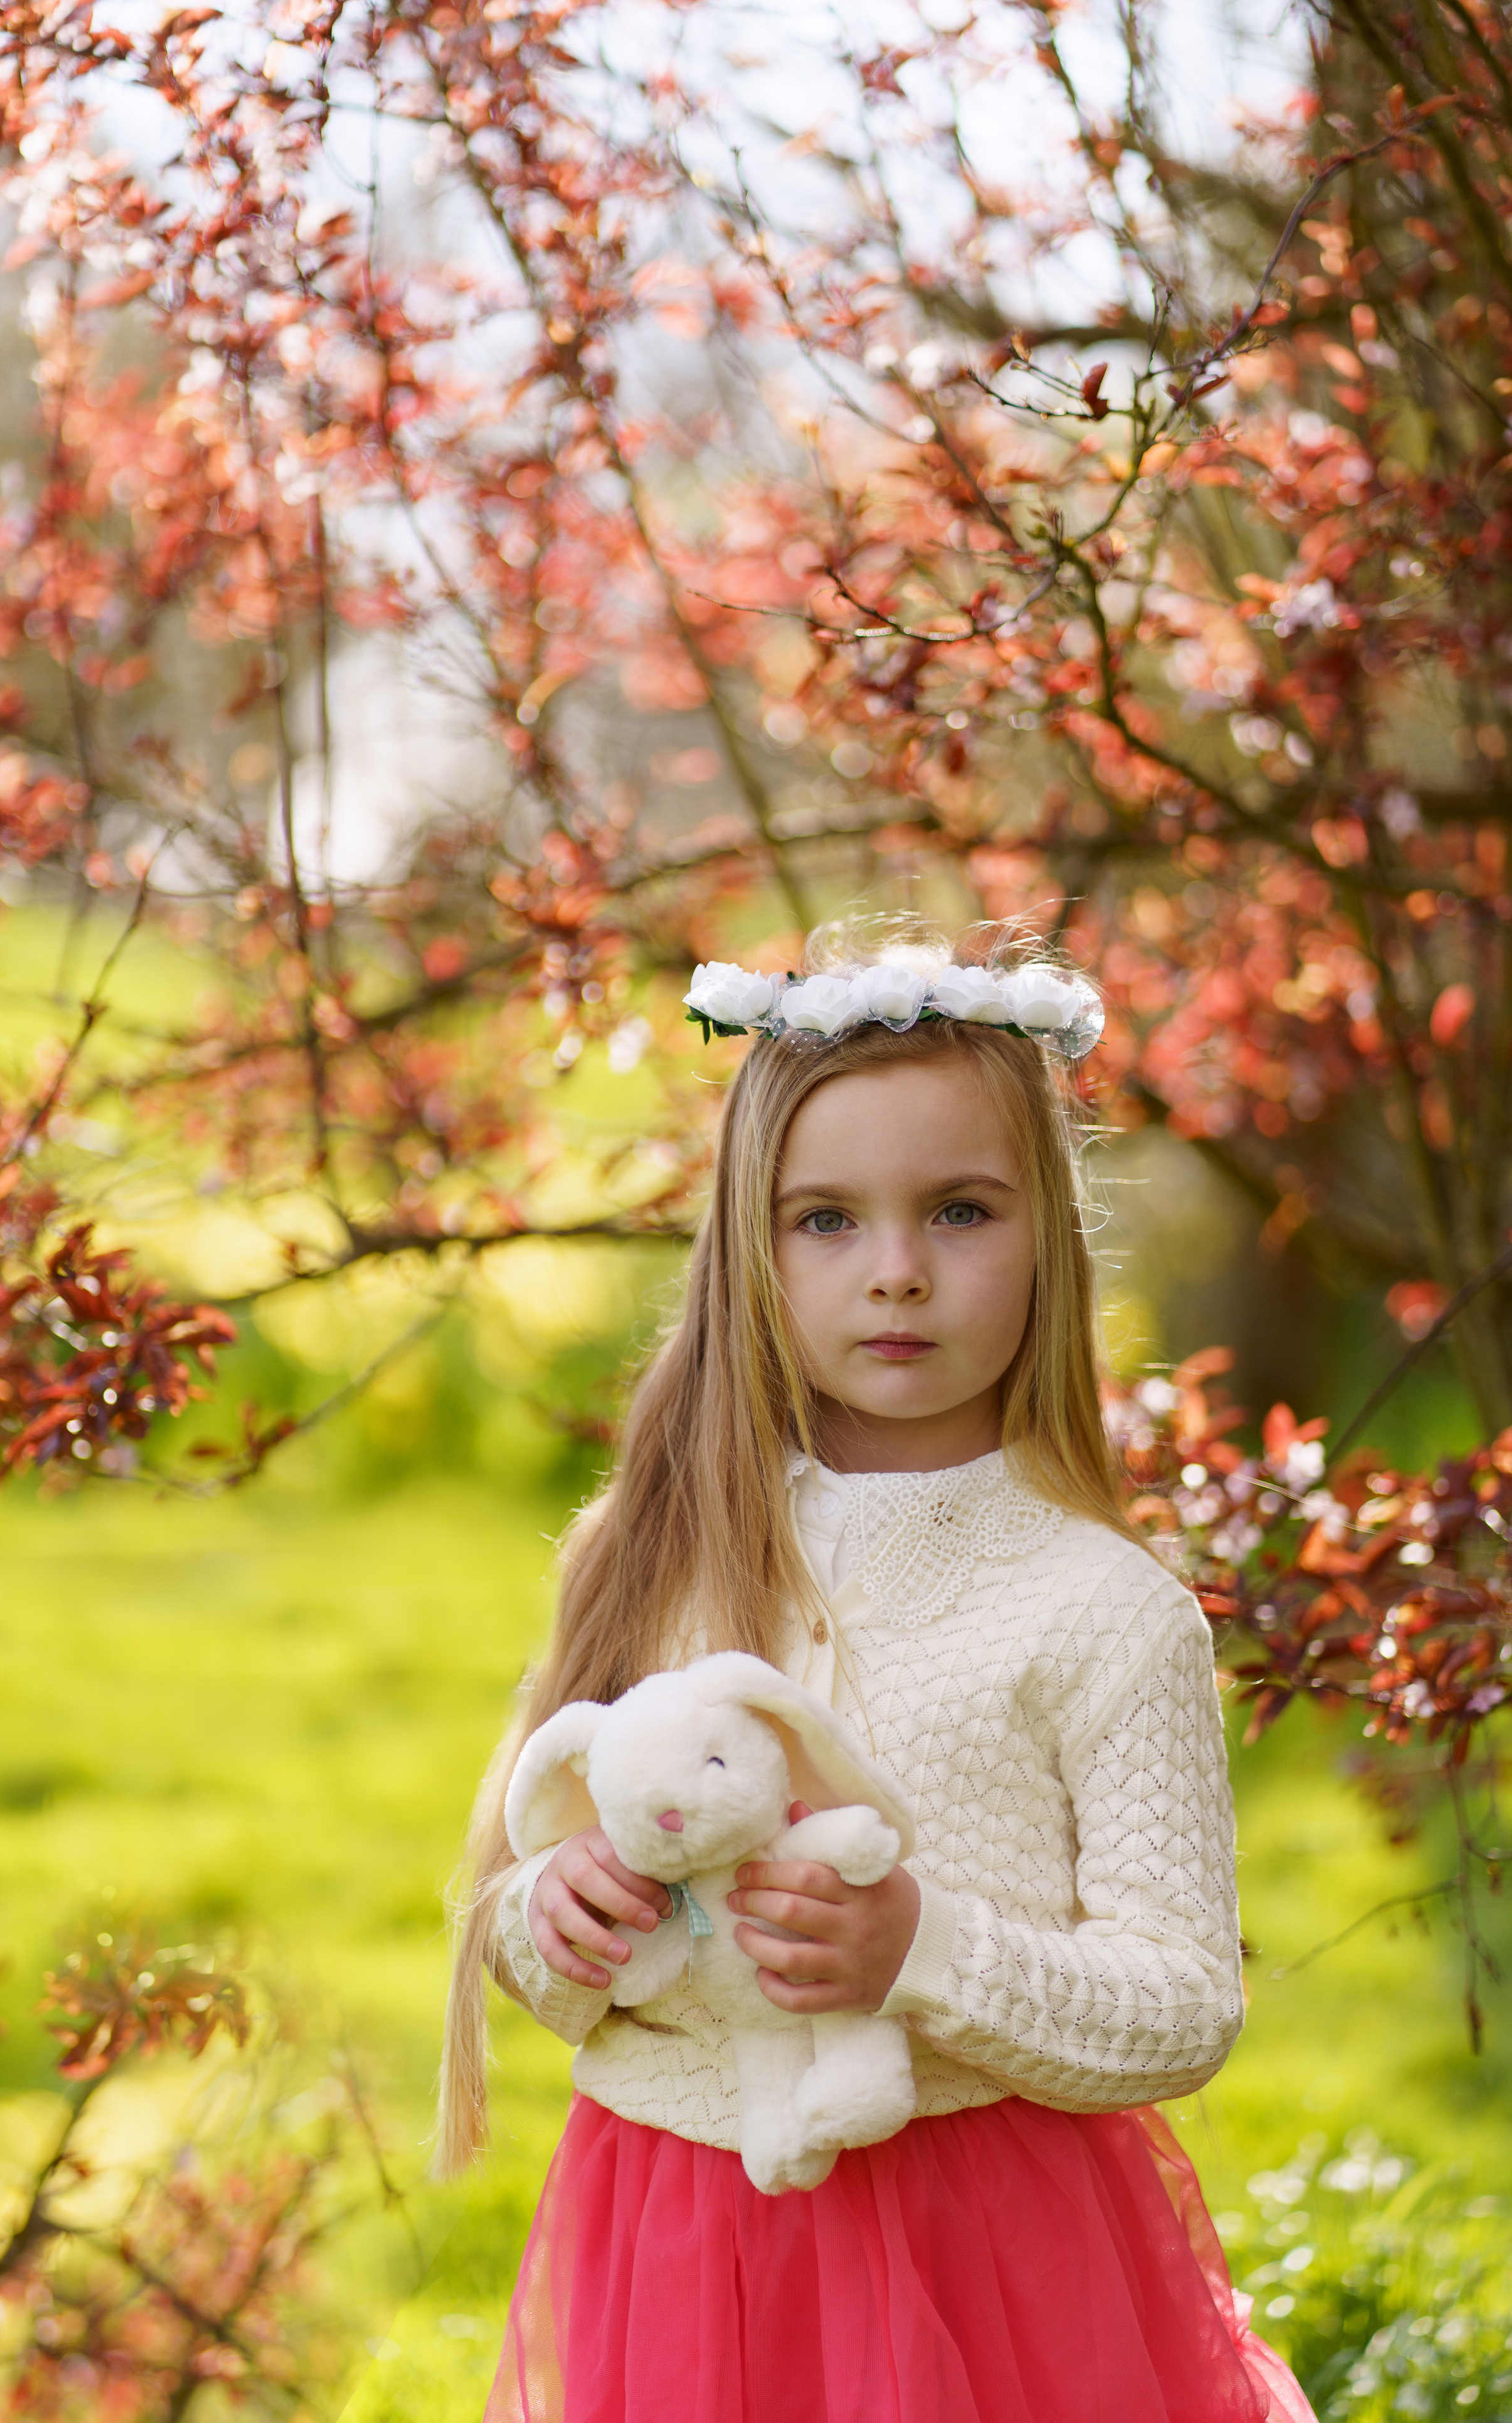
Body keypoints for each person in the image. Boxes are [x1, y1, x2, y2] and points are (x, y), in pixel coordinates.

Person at [438, 924, 1316, 2423]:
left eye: (959, 1212)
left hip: (988, 2254)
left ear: (1045, 1231)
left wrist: (918, 1950)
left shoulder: (1102, 1612)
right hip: (686, 2254)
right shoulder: (655, 1548)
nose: (897, 1274)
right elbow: (517, 1919)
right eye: (825, 1221)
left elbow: (1178, 2005)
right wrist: (553, 1917)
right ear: (749, 1248)